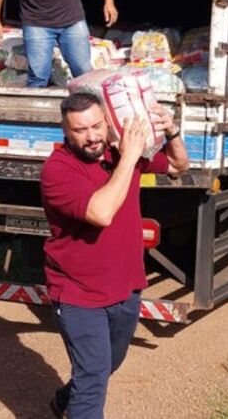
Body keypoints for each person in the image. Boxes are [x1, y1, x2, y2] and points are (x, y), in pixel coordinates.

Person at [40, 92, 189, 418]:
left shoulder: (119, 153)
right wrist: (129, 159)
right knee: (93, 376)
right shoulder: (58, 169)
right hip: (78, 292)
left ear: (108, 122)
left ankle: (63, 401)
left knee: (108, 363)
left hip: (126, 286)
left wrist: (172, 132)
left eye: (96, 126)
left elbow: (179, 164)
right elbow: (101, 212)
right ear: (65, 131)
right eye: (80, 130)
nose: (91, 136)